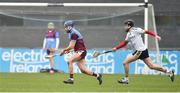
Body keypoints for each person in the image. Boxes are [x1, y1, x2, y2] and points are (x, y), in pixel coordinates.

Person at [110, 19, 174, 84]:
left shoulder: (136, 30)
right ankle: (168, 72)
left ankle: (126, 79)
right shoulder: (128, 34)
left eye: (126, 25)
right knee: (151, 66)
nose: (124, 27)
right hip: (142, 50)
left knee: (125, 63)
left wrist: (156, 36)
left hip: (140, 51)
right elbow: (124, 43)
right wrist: (116, 48)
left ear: (129, 26)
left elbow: (146, 32)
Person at [60, 20, 102, 85]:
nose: (65, 28)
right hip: (80, 51)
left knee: (69, 61)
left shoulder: (73, 33)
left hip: (81, 51)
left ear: (69, 27)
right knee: (83, 70)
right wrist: (67, 50)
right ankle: (97, 75)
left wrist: (64, 50)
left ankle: (71, 79)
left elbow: (71, 46)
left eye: (65, 27)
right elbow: (74, 46)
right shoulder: (71, 33)